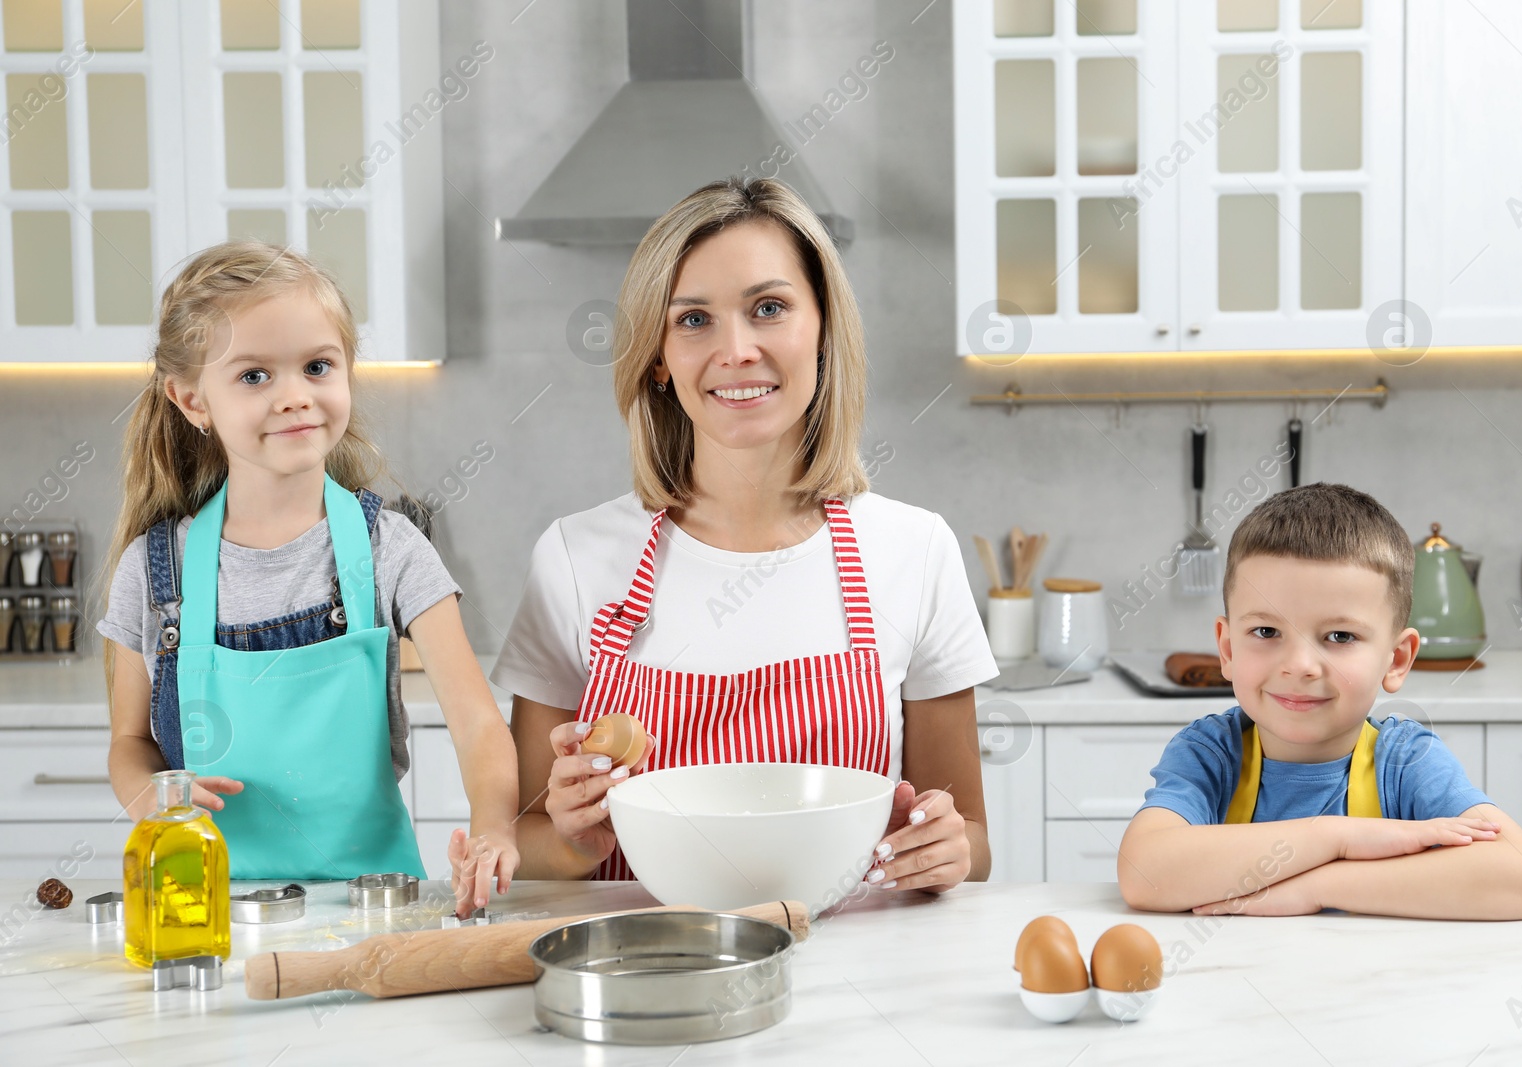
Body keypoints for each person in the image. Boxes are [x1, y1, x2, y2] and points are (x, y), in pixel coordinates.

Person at [493, 177, 998, 893]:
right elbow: (524, 838)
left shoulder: (914, 550)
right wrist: (576, 838)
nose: (737, 350)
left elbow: (972, 836)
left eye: (769, 308)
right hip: (647, 972)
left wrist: (948, 850)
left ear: (823, 330)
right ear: (658, 358)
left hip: (849, 972)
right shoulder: (576, 557)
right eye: (694, 319)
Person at [99, 242, 519, 911]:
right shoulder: (154, 571)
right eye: (255, 376)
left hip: (374, 908)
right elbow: (130, 741)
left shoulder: (391, 548)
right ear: (191, 399)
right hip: (209, 911)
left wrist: (496, 827)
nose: (295, 396)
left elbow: (476, 722)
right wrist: (150, 798)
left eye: (317, 366)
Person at [1118, 483, 1522, 920]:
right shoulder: (1210, 754)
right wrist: (1336, 839)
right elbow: (1143, 872)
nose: (1300, 665)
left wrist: (1318, 887)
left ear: (1396, 659)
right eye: (1266, 632)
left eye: (1340, 636)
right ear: (1227, 650)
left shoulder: (1404, 762)